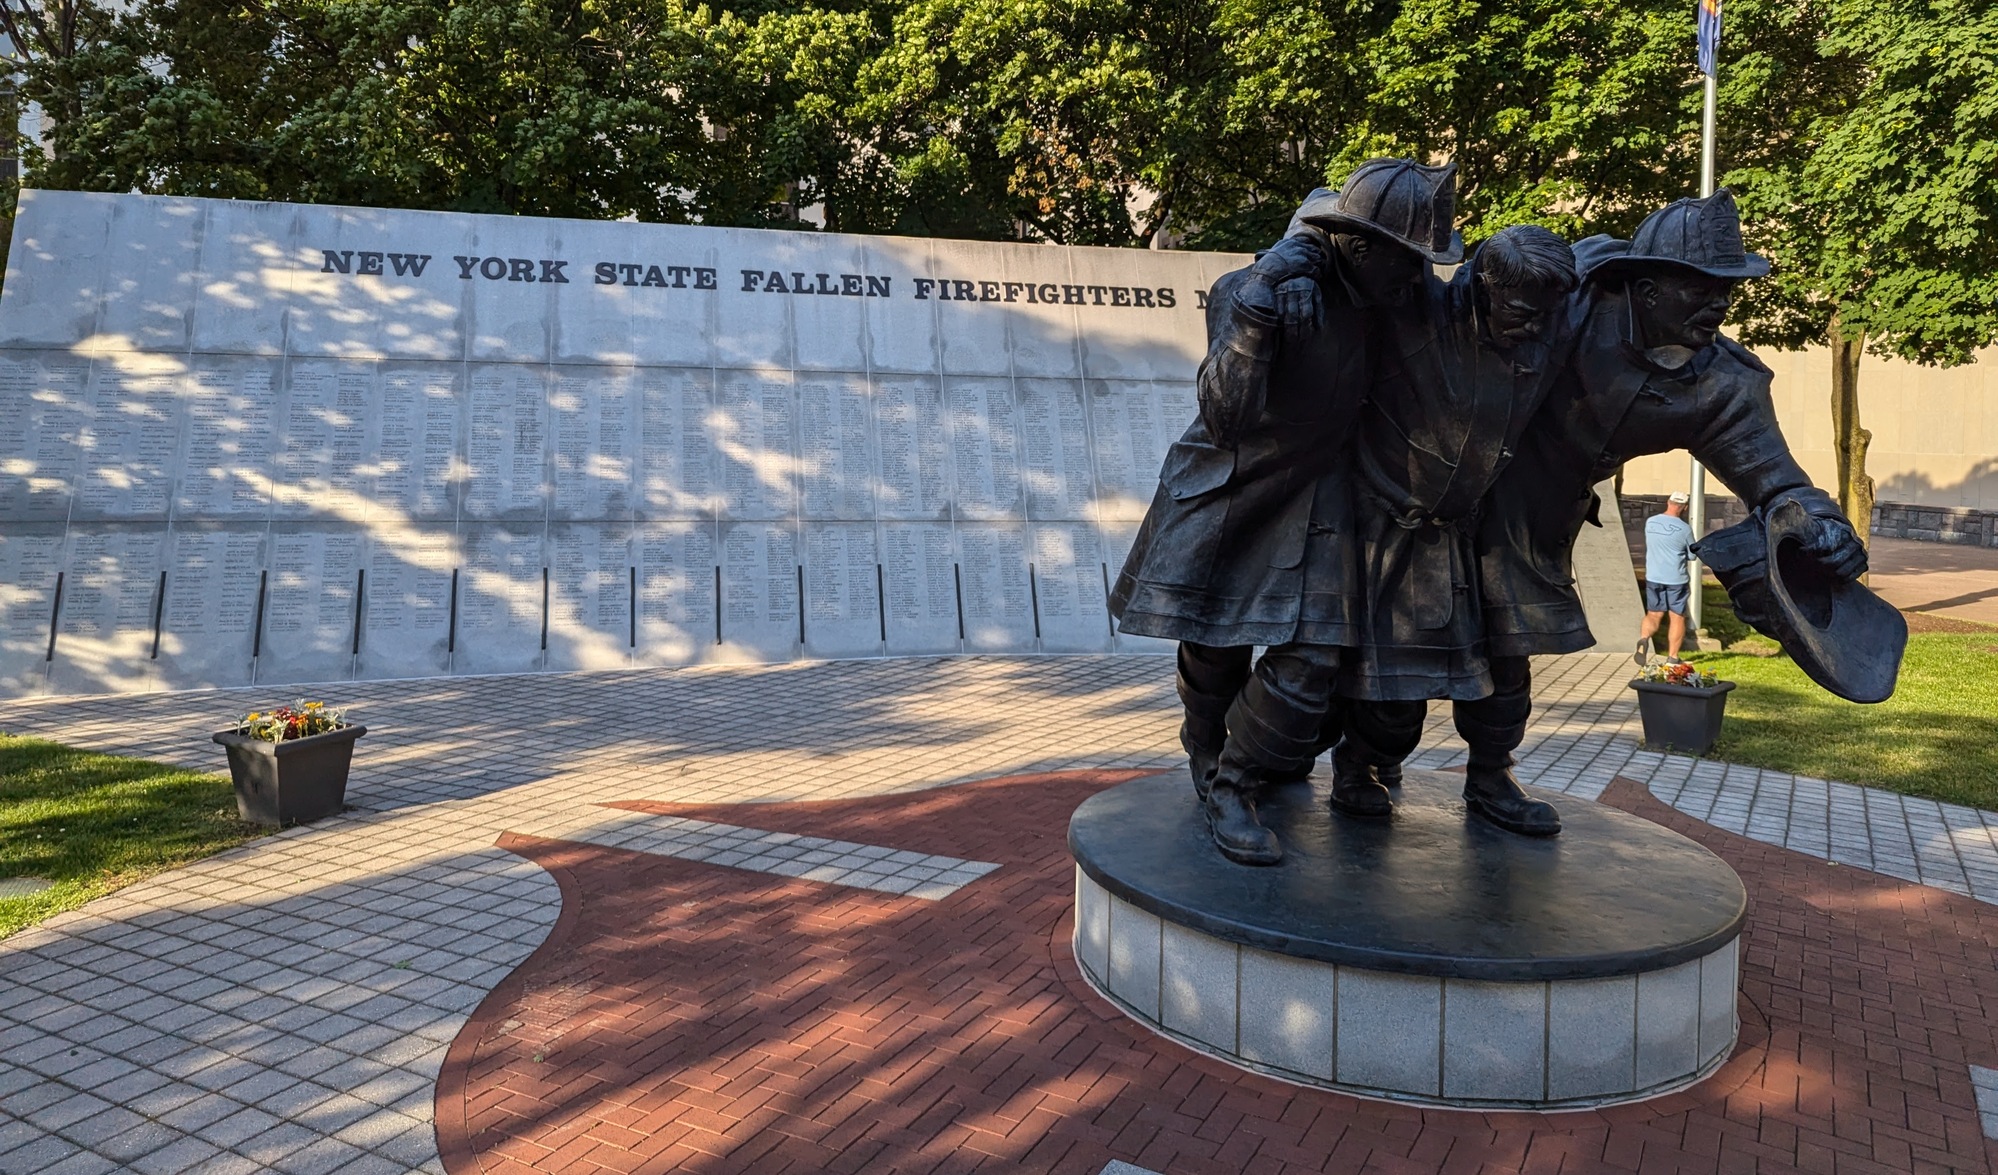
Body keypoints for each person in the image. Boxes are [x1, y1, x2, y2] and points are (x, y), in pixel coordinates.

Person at [1460, 188, 1868, 834]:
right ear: (1646, 290)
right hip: (1455, 471)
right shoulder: (1570, 298)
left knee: (1508, 649)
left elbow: (1780, 481)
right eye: (1702, 286)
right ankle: (1360, 766)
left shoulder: (1720, 383)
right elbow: (1461, 308)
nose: (1721, 303)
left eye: (1728, 288)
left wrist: (1827, 528)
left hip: (1534, 514)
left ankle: (1488, 776)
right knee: (1394, 634)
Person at [1109, 159, 1459, 865]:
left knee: (1313, 654)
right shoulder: (1254, 289)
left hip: (1319, 493)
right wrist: (1261, 308)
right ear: (1361, 248)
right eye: (1408, 260)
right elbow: (1226, 414)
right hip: (1227, 487)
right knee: (1214, 647)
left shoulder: (1387, 298)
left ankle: (1236, 780)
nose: (1417, 276)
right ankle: (1207, 755)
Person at [1320, 225, 1582, 831]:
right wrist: (1288, 264)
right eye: (1520, 312)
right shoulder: (1416, 307)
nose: (1535, 329)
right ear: (1482, 284)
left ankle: (1491, 777)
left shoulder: (1547, 323)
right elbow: (1331, 224)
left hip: (1484, 527)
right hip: (1394, 531)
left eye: (1547, 315)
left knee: (1509, 666)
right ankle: (1360, 764)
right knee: (1395, 697)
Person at [1638, 491, 1696, 664]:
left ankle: (1643, 639)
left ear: (1668, 502)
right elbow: (1692, 556)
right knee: (1676, 616)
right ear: (1684, 508)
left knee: (1654, 614)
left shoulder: (1650, 522)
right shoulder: (1685, 530)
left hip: (1654, 577)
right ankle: (1673, 657)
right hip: (1676, 580)